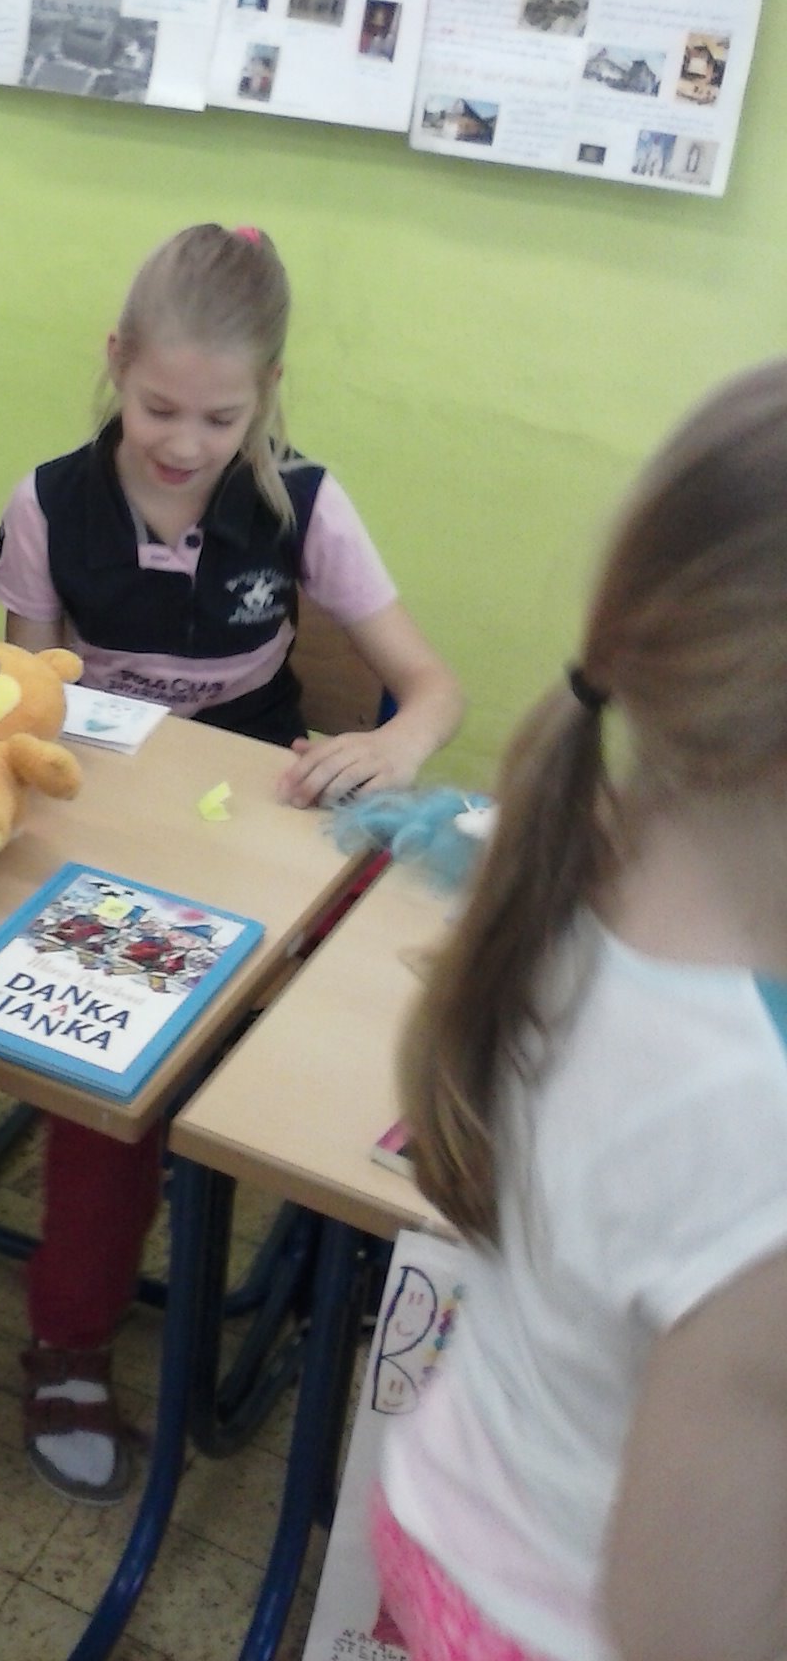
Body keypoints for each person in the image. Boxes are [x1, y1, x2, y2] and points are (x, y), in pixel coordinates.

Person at [0, 223, 462, 1500]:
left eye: (220, 417)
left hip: (267, 820)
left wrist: (395, 740)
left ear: (268, 395)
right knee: (111, 1085)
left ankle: (358, 1263)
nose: (185, 444)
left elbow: (432, 689)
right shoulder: (49, 502)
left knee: (391, 1014)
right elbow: (26, 691)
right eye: (158, 409)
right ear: (115, 362)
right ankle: (68, 1339)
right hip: (107, 829)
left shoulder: (301, 500)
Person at [379, 360, 787, 1661]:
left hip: (455, 1503)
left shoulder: (582, 863)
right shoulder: (754, 1135)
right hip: (536, 1618)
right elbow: (686, 1627)